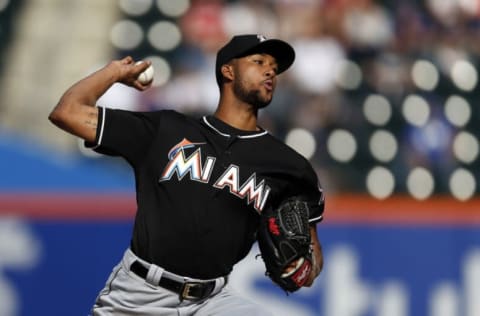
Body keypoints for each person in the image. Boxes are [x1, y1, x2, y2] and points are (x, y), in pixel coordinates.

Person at [49, 34, 325, 316]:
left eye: (275, 68)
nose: (270, 71)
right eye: (259, 62)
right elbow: (67, 113)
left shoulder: (290, 167)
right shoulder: (166, 130)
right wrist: (114, 73)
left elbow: (312, 254)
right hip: (140, 295)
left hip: (212, 302)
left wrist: (304, 270)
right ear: (228, 70)